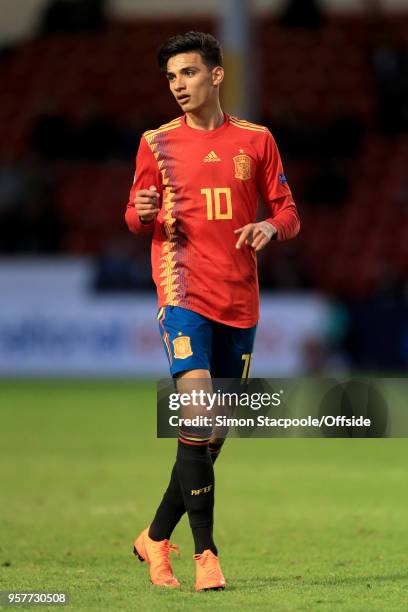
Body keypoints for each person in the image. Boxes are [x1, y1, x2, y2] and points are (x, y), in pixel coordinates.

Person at [125, 31, 300, 592]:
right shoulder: (155, 143)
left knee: (211, 433)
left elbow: (289, 211)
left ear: (216, 75)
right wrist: (144, 211)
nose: (179, 85)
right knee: (198, 412)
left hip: (240, 298)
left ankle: (153, 537)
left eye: (189, 73)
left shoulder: (257, 140)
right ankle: (206, 554)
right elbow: (134, 213)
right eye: (172, 77)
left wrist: (270, 226)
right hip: (182, 291)